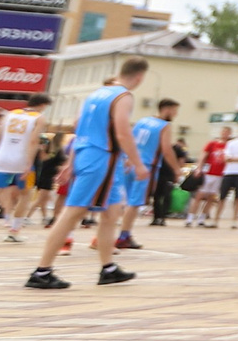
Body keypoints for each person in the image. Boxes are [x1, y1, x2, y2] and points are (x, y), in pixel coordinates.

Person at [26, 60, 149, 290]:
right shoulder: (123, 97)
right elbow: (123, 132)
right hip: (101, 158)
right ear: (140, 78)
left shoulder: (97, 94)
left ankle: (108, 268)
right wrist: (138, 163)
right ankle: (42, 271)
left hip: (89, 154)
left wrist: (72, 161)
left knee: (112, 212)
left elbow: (78, 126)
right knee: (73, 212)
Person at [0, 95, 48, 245]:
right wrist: (29, 163)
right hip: (21, 158)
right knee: (25, 195)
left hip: (3, 158)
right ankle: (14, 231)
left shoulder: (10, 114)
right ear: (42, 105)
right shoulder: (39, 118)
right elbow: (34, 141)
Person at [130, 98, 179, 239]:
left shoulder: (142, 121)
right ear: (167, 109)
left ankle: (103, 235)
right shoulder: (164, 126)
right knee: (134, 203)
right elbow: (167, 150)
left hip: (130, 163)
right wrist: (176, 169)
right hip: (146, 166)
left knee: (121, 201)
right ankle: (124, 235)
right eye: (175, 111)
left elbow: (130, 140)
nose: (175, 114)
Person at [191, 131, 227, 225]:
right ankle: (190, 217)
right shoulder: (212, 144)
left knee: (211, 197)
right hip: (208, 173)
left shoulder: (229, 146)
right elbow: (203, 156)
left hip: (219, 174)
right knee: (199, 195)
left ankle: (202, 218)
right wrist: (199, 168)